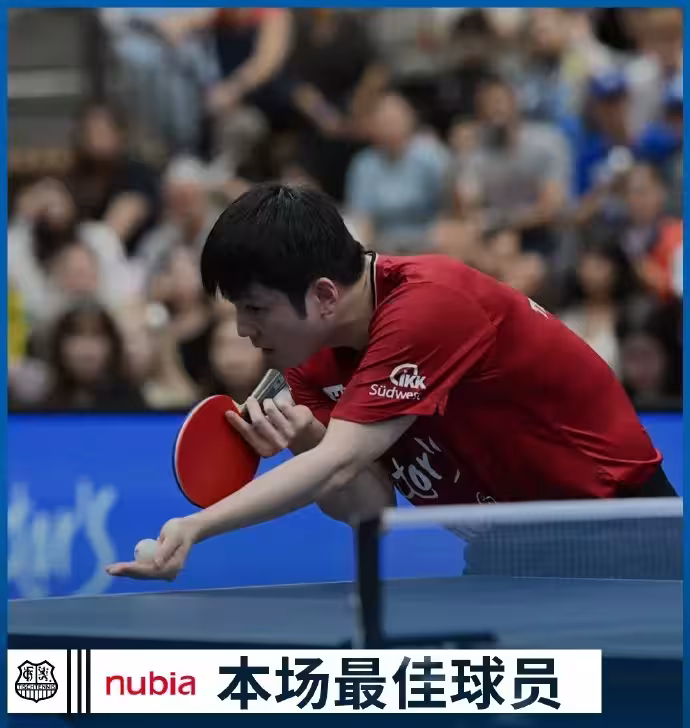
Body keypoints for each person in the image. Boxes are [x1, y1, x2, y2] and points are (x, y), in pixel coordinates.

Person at [106, 183, 675, 581]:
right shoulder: (309, 358)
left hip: (617, 530)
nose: (241, 329)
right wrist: (309, 441)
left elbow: (340, 461)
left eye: (255, 308)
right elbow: (370, 508)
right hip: (505, 548)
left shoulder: (429, 306)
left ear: (324, 295)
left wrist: (196, 527)